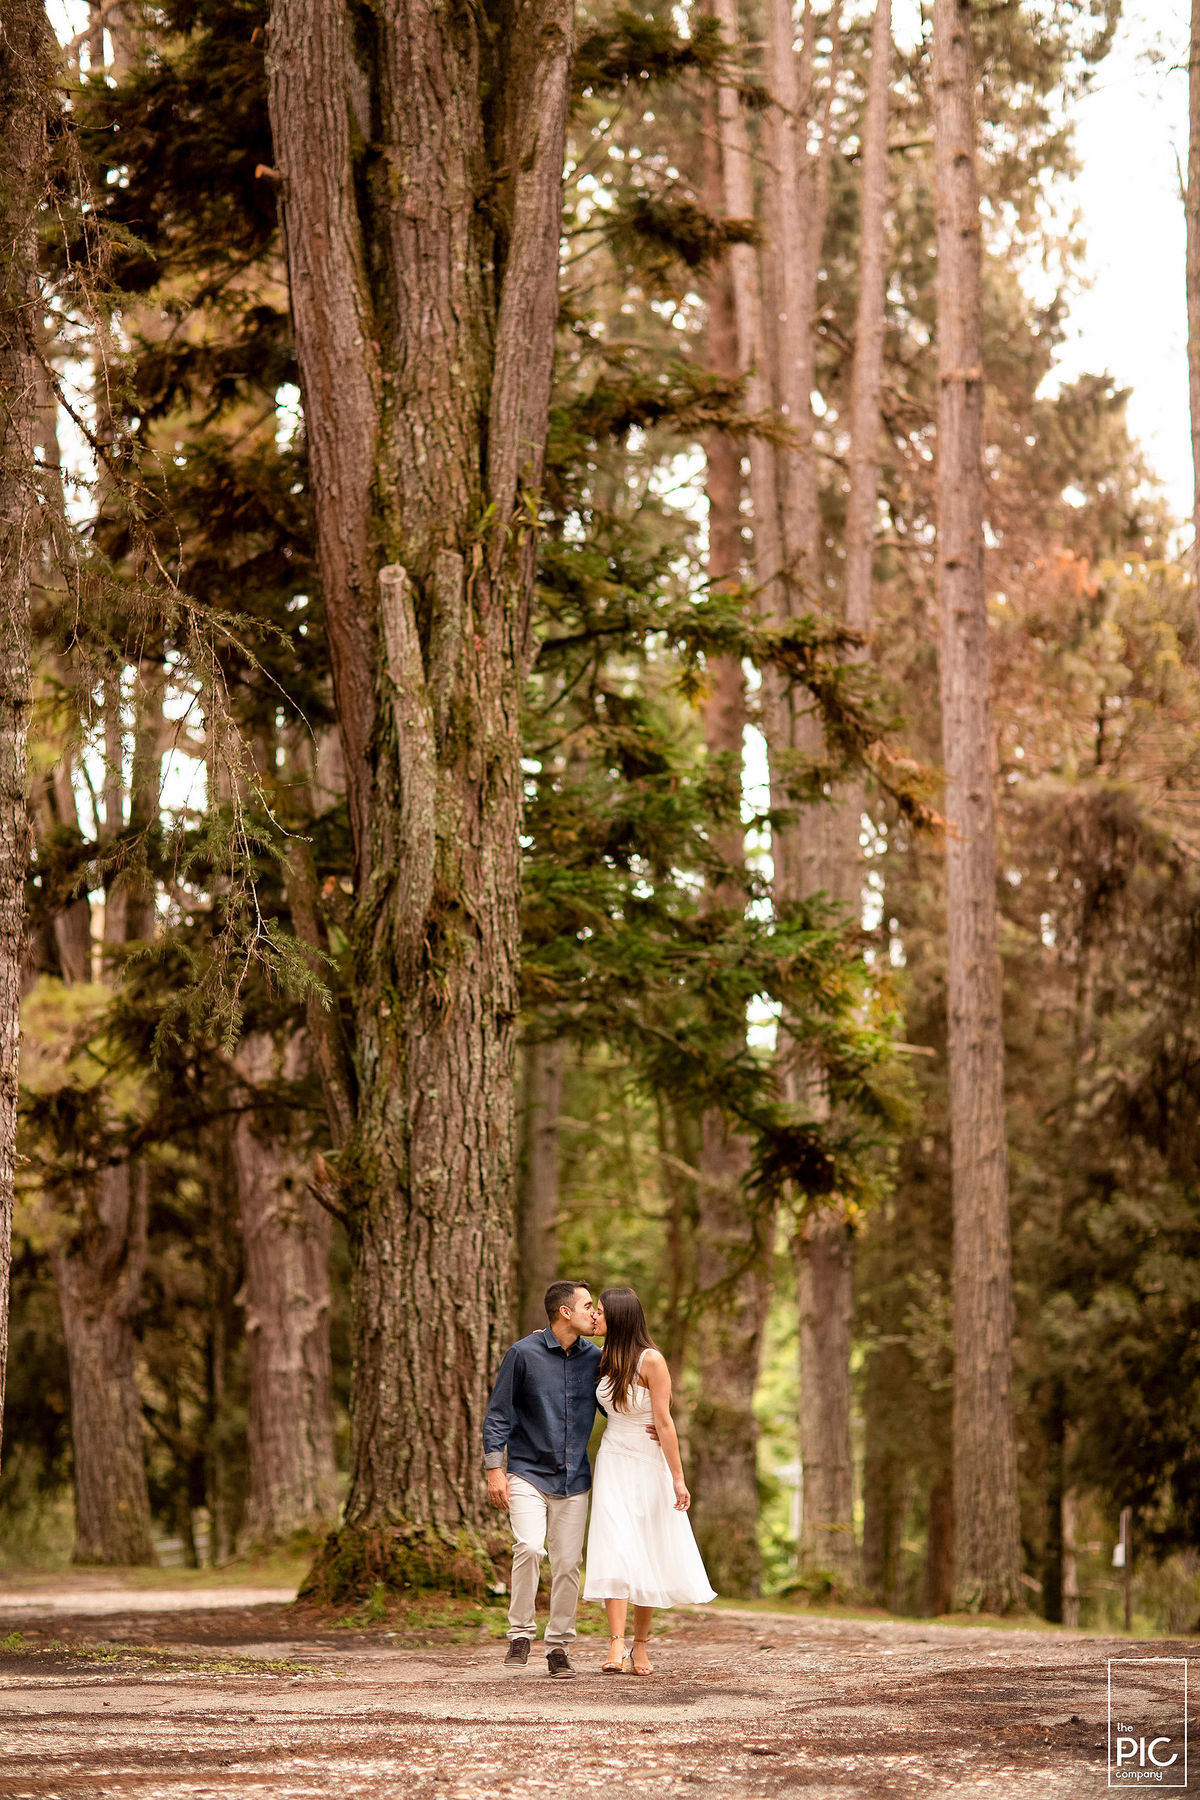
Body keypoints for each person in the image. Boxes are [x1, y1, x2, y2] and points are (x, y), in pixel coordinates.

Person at [583, 1285, 715, 1676]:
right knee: (614, 1544)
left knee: (645, 1547)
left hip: (648, 1462)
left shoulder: (651, 1360)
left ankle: (640, 1646)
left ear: (621, 1318)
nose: (596, 1318)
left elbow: (664, 1421)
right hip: (613, 1459)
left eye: (602, 1312)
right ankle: (615, 1643)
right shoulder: (602, 1359)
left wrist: (678, 1478)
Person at [482, 1280, 601, 1679]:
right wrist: (494, 1469)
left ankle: (559, 1647)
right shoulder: (522, 1354)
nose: (594, 1312)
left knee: (568, 1564)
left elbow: (617, 1403)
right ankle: (520, 1634)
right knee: (530, 1547)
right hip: (527, 1472)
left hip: (575, 1477)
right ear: (564, 1311)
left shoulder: (596, 1359)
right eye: (588, 1306)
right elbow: (499, 1414)